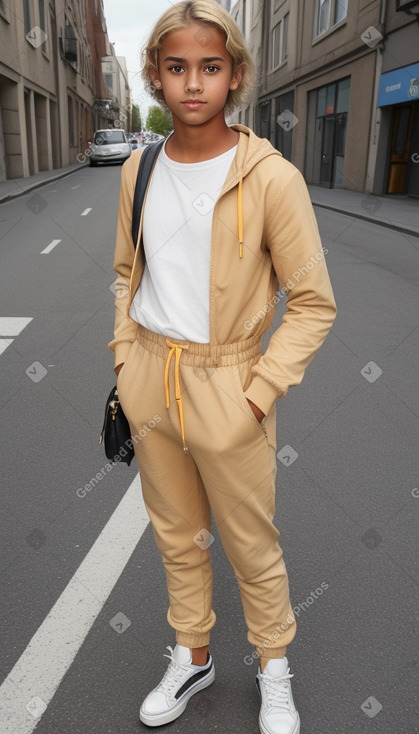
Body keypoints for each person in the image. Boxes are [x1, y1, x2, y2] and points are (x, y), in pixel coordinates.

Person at [109, 2, 336, 732]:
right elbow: (125, 272)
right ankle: (194, 655)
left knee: (249, 543)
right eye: (177, 68)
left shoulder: (272, 178)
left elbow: (311, 302)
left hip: (229, 384)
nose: (193, 83)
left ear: (234, 76)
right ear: (155, 77)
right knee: (177, 536)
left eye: (210, 67)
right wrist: (123, 357)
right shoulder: (138, 169)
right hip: (149, 378)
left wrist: (257, 393)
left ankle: (273, 666)